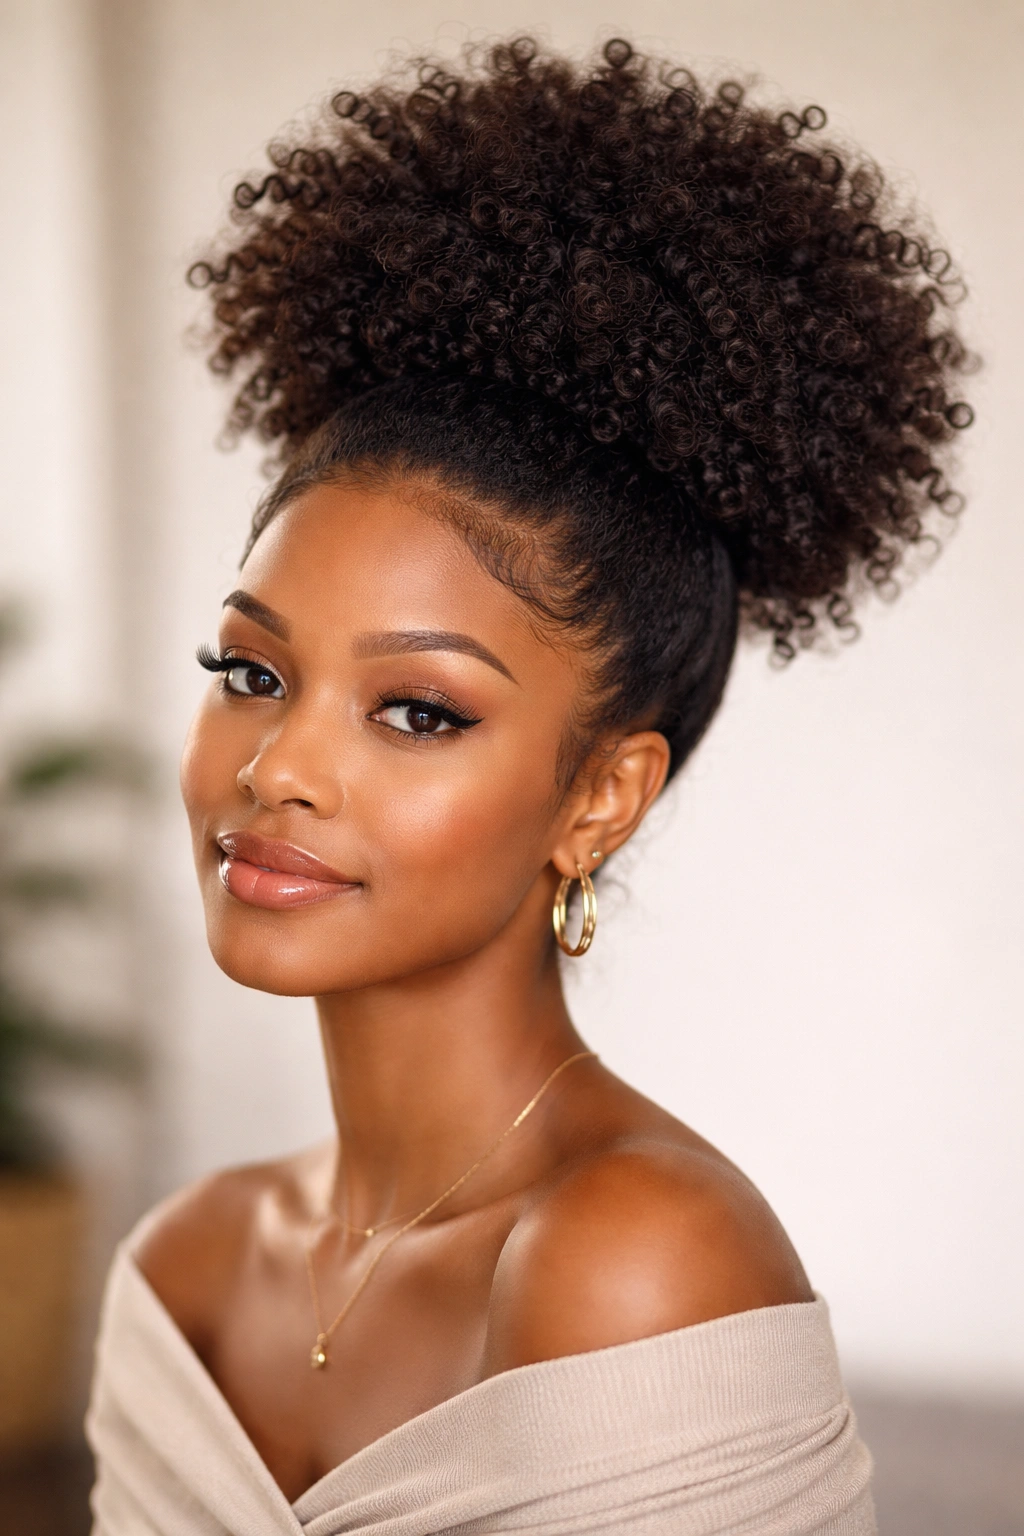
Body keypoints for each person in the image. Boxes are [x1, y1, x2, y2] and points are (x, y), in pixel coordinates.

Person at [86, 36, 971, 1534]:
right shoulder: (183, 1269)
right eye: (249, 672)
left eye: (417, 711)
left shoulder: (636, 1257)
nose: (279, 764)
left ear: (600, 798)